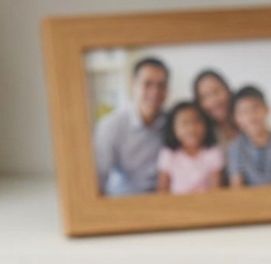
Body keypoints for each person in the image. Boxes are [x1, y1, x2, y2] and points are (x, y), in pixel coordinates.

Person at [93, 57, 169, 196]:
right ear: (133, 85)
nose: (155, 92)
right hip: (126, 200)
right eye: (148, 84)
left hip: (163, 200)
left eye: (161, 85)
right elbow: (99, 177)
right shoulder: (111, 126)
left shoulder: (172, 121)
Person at [226, 85, 271, 187]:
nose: (251, 115)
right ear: (237, 118)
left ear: (267, 109)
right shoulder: (236, 147)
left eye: (255, 108)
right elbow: (237, 185)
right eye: (244, 111)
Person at [156, 101, 224, 195]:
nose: (191, 128)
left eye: (196, 121)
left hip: (206, 204)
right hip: (176, 206)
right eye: (184, 123)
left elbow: (216, 189)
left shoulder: (213, 152)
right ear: (173, 129)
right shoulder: (169, 153)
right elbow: (162, 190)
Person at [193, 69, 240, 149]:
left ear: (227, 90)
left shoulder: (248, 120)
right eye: (205, 97)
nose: (214, 101)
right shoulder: (201, 136)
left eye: (216, 91)